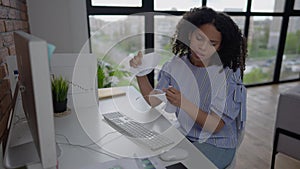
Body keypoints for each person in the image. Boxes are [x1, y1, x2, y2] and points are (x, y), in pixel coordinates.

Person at [130, 7, 247, 169]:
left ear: (221, 46)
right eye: (199, 38)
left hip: (217, 143)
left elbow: (215, 126)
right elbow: (154, 101)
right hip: (186, 135)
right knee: (144, 158)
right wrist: (140, 73)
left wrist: (183, 103)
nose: (203, 47)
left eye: (212, 43)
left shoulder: (227, 76)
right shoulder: (176, 65)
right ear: (189, 34)